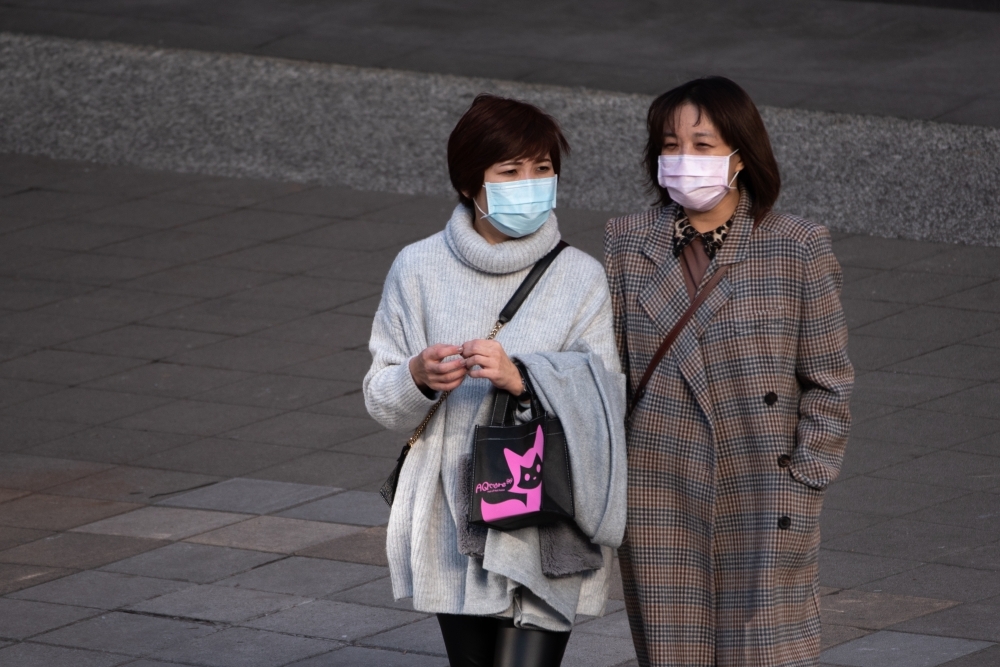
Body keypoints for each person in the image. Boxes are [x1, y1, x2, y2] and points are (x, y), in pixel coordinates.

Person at [364, 94, 627, 667]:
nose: (530, 183)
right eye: (510, 171)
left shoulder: (579, 275)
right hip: (456, 515)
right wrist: (418, 376)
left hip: (549, 511)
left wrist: (522, 377)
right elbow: (382, 401)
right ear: (469, 183)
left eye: (542, 169)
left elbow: (607, 398)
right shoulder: (418, 268)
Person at [603, 76, 853, 667]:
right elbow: (608, 369)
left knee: (764, 651)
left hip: (765, 484)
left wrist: (806, 476)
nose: (684, 159)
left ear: (741, 155)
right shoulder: (627, 242)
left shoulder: (796, 246)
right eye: (670, 145)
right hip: (659, 488)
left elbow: (829, 378)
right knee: (674, 650)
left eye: (703, 144)